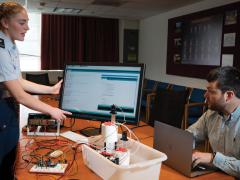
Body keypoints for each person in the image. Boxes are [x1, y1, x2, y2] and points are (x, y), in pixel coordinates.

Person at [0, 2, 71, 179]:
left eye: (27, 22)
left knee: (10, 162)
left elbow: (17, 81)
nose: (28, 27)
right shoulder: (1, 51)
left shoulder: (10, 45)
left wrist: (51, 89)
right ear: (5, 23)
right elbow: (20, 95)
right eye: (22, 22)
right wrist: (51, 110)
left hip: (7, 111)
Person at [187, 66, 240, 178]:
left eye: (211, 91)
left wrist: (213, 158)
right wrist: (184, 145)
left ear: (229, 95)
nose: (205, 95)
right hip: (216, 174)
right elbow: (190, 135)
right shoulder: (211, 114)